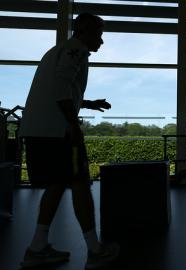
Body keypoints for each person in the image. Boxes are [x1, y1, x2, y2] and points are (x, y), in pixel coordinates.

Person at [19, 13, 119, 269]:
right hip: (57, 132)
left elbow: (60, 88)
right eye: (99, 33)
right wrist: (74, 125)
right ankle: (95, 251)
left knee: (56, 184)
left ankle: (37, 247)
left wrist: (86, 103)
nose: (102, 41)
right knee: (80, 183)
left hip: (37, 130)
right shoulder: (76, 51)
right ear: (85, 31)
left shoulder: (57, 51)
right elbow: (61, 88)